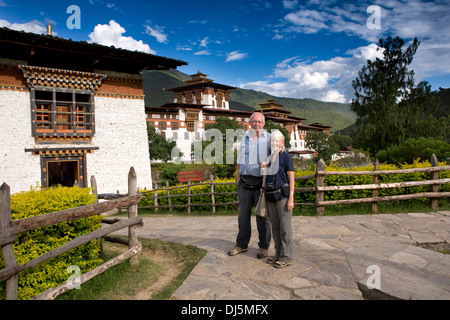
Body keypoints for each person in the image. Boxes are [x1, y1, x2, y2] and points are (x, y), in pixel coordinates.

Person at [228, 112, 271, 259]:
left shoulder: (270, 139)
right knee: (243, 216)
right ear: (250, 123)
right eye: (254, 122)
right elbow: (240, 156)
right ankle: (241, 245)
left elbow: (276, 156)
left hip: (261, 184)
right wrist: (238, 173)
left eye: (259, 122)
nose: (256, 124)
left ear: (264, 123)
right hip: (244, 181)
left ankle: (264, 247)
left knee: (263, 216)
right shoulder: (244, 138)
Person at [261, 130, 295, 268]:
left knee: (285, 228)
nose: (274, 143)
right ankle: (278, 253)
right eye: (272, 141)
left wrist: (291, 197)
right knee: (275, 228)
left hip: (283, 197)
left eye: (277, 141)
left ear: (282, 142)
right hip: (271, 197)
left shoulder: (286, 157)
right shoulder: (270, 158)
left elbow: (291, 177)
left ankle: (287, 257)